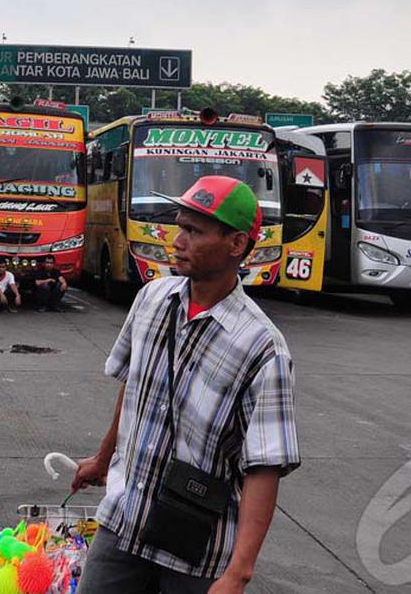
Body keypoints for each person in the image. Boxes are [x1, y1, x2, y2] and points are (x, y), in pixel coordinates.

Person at [71, 176, 299, 594]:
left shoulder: (263, 347)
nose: (177, 241)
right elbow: (134, 386)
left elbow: (265, 465)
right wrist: (103, 459)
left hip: (197, 548)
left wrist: (238, 573)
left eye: (193, 231)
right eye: (179, 227)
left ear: (236, 244)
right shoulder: (151, 300)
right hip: (125, 519)